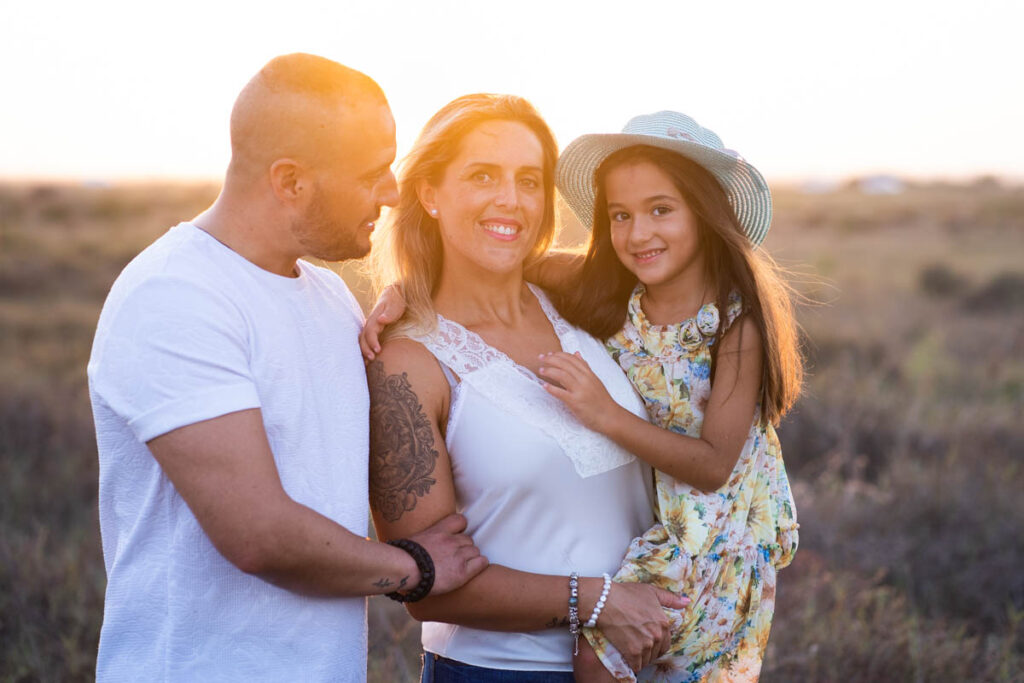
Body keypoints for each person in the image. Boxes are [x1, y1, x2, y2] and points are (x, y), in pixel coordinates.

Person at [86, 53, 486, 682]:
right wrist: (417, 567)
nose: (393, 192)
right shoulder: (174, 296)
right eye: (373, 173)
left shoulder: (328, 296)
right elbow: (258, 534)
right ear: (291, 182)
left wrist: (427, 294)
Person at [365, 94, 690, 682]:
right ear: (429, 193)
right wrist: (598, 600)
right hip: (503, 671)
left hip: (640, 663)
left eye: (529, 180)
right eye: (482, 175)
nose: (510, 199)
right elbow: (428, 589)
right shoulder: (408, 365)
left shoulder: (578, 300)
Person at [529, 111, 803, 681]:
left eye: (661, 210)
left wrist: (602, 414)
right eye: (620, 216)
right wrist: (405, 291)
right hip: (655, 525)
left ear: (703, 214)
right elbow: (491, 268)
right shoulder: (605, 289)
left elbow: (712, 467)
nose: (637, 234)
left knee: (596, 660)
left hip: (710, 542)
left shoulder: (734, 324)